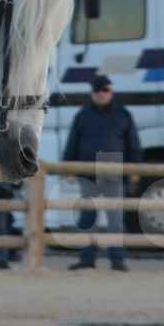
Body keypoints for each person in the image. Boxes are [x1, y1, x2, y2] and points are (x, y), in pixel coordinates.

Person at [62, 74, 141, 271]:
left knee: (115, 220)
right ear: (92, 93)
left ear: (111, 91)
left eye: (105, 90)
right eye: (97, 90)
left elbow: (134, 144)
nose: (101, 94)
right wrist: (69, 169)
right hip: (87, 173)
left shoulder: (124, 114)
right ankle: (87, 259)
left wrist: (135, 169)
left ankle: (117, 260)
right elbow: (72, 143)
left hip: (114, 173)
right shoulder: (82, 115)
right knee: (87, 219)